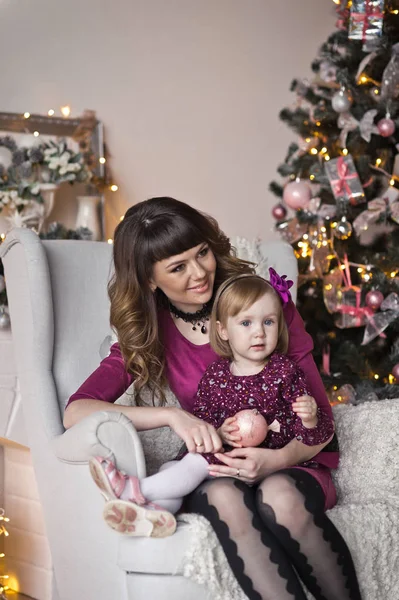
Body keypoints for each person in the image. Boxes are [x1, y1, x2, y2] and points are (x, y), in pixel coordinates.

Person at [64, 197, 362, 600]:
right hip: (220, 470)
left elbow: (320, 417)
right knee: (224, 495)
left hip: (293, 458)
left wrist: (276, 460)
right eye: (178, 267)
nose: (200, 272)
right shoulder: (150, 329)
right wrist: (172, 416)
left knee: (280, 496)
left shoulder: (260, 306)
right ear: (149, 279)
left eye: (201, 253)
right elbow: (77, 412)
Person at [89, 273, 335, 540]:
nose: (259, 333)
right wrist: (218, 434)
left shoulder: (285, 372)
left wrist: (309, 418)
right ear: (223, 330)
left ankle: (133, 491)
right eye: (246, 323)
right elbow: (203, 423)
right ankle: (155, 515)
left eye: (268, 322)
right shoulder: (216, 375)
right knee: (176, 471)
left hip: (262, 464)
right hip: (222, 462)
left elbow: (316, 433)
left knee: (193, 466)